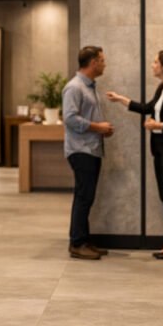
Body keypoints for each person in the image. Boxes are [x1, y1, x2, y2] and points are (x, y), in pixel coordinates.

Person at [106, 50, 163, 259]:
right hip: (161, 149)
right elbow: (147, 108)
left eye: (155, 62)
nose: (152, 65)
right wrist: (121, 99)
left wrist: (160, 125)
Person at [62, 46, 114, 260]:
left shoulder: (89, 87)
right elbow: (70, 118)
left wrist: (100, 130)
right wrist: (98, 127)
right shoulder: (74, 88)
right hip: (81, 150)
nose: (104, 64)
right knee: (84, 196)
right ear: (93, 62)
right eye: (102, 60)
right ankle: (77, 243)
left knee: (87, 196)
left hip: (91, 149)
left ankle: (83, 240)